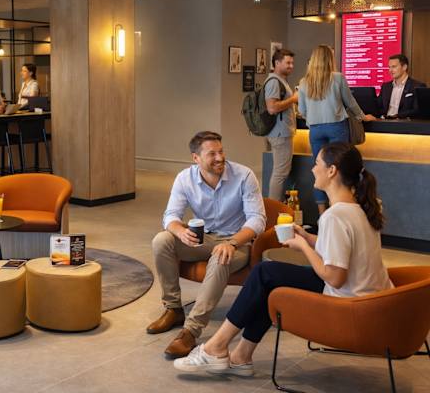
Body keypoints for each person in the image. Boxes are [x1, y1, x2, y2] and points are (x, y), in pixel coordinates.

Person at [174, 142, 393, 376]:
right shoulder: (361, 208)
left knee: (264, 273)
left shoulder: (334, 216)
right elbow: (344, 250)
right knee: (269, 277)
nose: (313, 169)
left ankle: (215, 348)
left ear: (332, 171)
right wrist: (308, 238)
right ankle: (240, 357)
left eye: (317, 163)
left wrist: (303, 247)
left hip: (349, 305)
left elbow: (335, 277)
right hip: (369, 298)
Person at [148, 131, 266, 359]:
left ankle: (191, 330)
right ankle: (173, 309)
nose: (220, 157)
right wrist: (180, 231)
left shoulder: (244, 175)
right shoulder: (185, 178)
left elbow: (257, 220)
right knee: (162, 240)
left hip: (237, 241)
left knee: (221, 256)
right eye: (212, 154)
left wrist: (232, 243)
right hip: (204, 238)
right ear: (196, 158)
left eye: (221, 151)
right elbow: (170, 216)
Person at [297, 45, 377, 214]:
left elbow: (302, 111)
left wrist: (314, 118)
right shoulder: (338, 78)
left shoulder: (304, 82)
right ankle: (339, 210)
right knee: (341, 169)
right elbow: (351, 103)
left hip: (315, 131)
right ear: (329, 59)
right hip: (337, 127)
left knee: (320, 171)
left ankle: (322, 214)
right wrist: (363, 117)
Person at [264, 48, 298, 202]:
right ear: (277, 63)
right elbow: (272, 108)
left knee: (281, 172)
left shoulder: (281, 80)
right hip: (280, 133)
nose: (291, 66)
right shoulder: (274, 82)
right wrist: (293, 99)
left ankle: (276, 205)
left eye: (292, 63)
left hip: (282, 132)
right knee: (280, 173)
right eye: (288, 63)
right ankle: (273, 207)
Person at [378, 54, 426, 119]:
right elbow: (378, 107)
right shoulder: (385, 87)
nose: (390, 70)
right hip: (383, 122)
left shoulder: (417, 86)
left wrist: (395, 116)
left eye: (394, 67)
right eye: (389, 67)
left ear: (404, 67)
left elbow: (417, 110)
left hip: (404, 123)